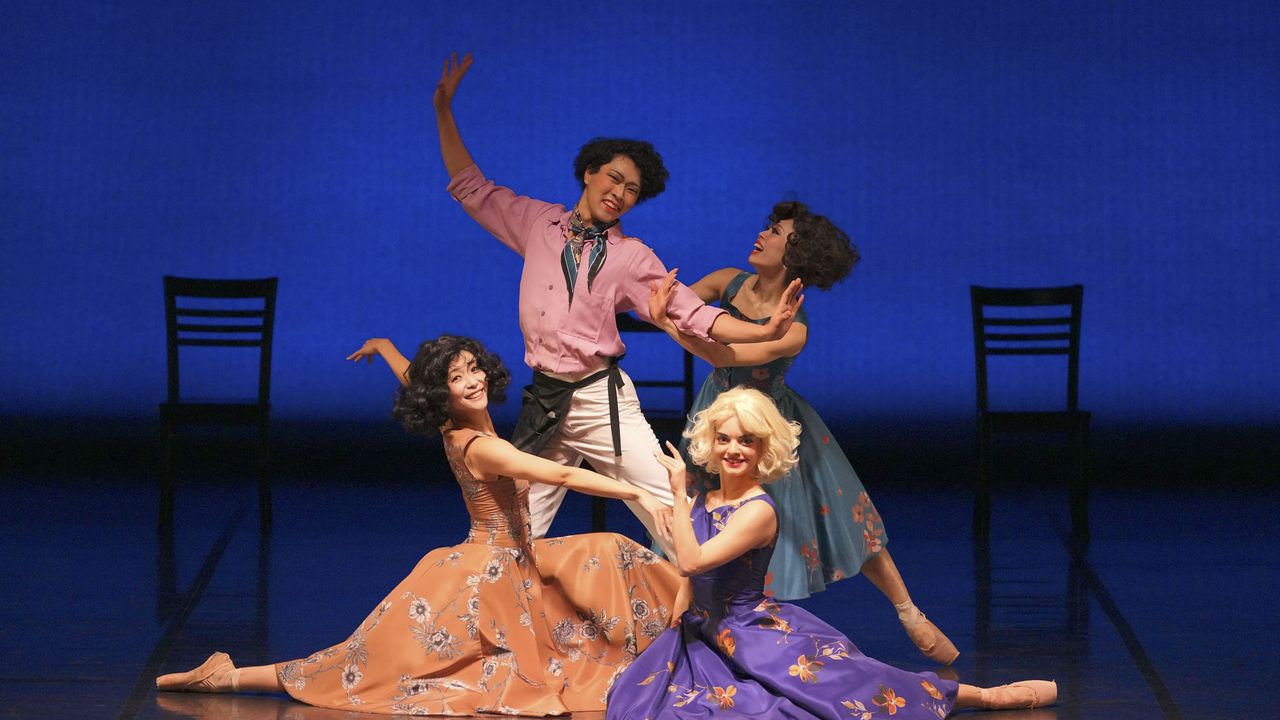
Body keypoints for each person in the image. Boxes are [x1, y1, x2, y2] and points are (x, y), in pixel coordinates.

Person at [157, 335, 685, 716]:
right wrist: (635, 490)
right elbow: (562, 473)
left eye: (473, 369)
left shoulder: (453, 420)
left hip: (514, 559)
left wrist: (383, 346)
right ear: (443, 395)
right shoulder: (481, 447)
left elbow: (414, 378)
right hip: (488, 573)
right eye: (457, 379)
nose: (472, 381)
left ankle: (696, 627)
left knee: (611, 550)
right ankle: (228, 676)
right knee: (366, 669)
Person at [432, 53, 803, 548]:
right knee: (513, 529)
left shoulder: (631, 257)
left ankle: (715, 593)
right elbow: (471, 188)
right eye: (613, 178)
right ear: (589, 173)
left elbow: (695, 314)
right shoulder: (538, 223)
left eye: (632, 190)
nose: (620, 193)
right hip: (545, 402)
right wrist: (443, 109)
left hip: (599, 399)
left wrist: (763, 329)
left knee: (671, 509)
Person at [606, 387, 1057, 718]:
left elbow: (691, 559)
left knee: (856, 689)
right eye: (724, 438)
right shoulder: (706, 500)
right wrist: (679, 614)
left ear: (764, 448)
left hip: (751, 633)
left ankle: (986, 696)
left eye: (746, 440)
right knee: (641, 700)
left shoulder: (757, 511)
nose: (733, 449)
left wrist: (676, 494)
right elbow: (690, 575)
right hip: (702, 631)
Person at [644, 200, 957, 663]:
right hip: (719, 413)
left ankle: (908, 610)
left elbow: (721, 354)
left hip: (771, 423)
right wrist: (660, 308)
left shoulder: (796, 330)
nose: (762, 234)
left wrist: (663, 323)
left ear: (796, 254)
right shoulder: (726, 280)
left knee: (845, 517)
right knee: (690, 510)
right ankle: (673, 627)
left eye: (776, 232)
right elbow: (677, 308)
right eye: (768, 226)